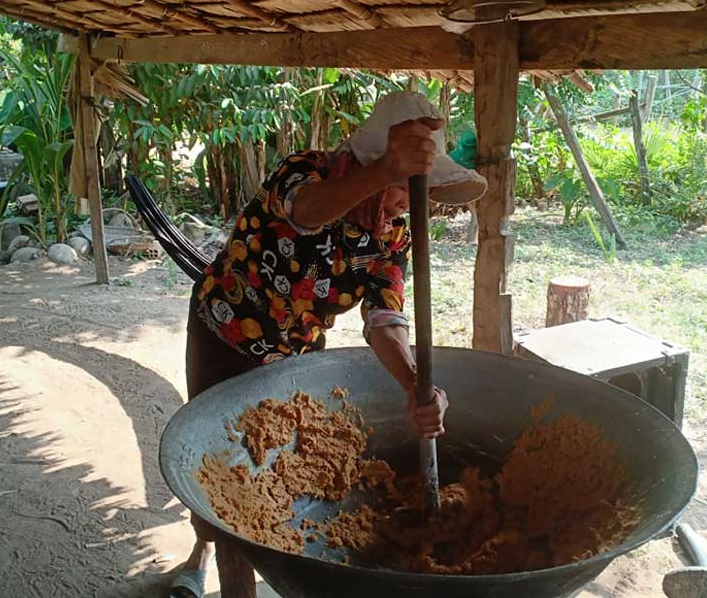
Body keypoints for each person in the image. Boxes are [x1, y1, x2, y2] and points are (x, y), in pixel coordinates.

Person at [170, 92, 488, 598]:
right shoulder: (304, 172)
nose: (409, 201)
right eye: (405, 186)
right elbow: (306, 214)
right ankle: (211, 557)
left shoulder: (392, 235)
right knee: (223, 474)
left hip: (295, 353)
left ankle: (274, 558)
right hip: (226, 333)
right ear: (364, 161)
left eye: (416, 189)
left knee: (280, 464)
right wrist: (385, 169)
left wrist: (414, 385)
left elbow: (384, 319)